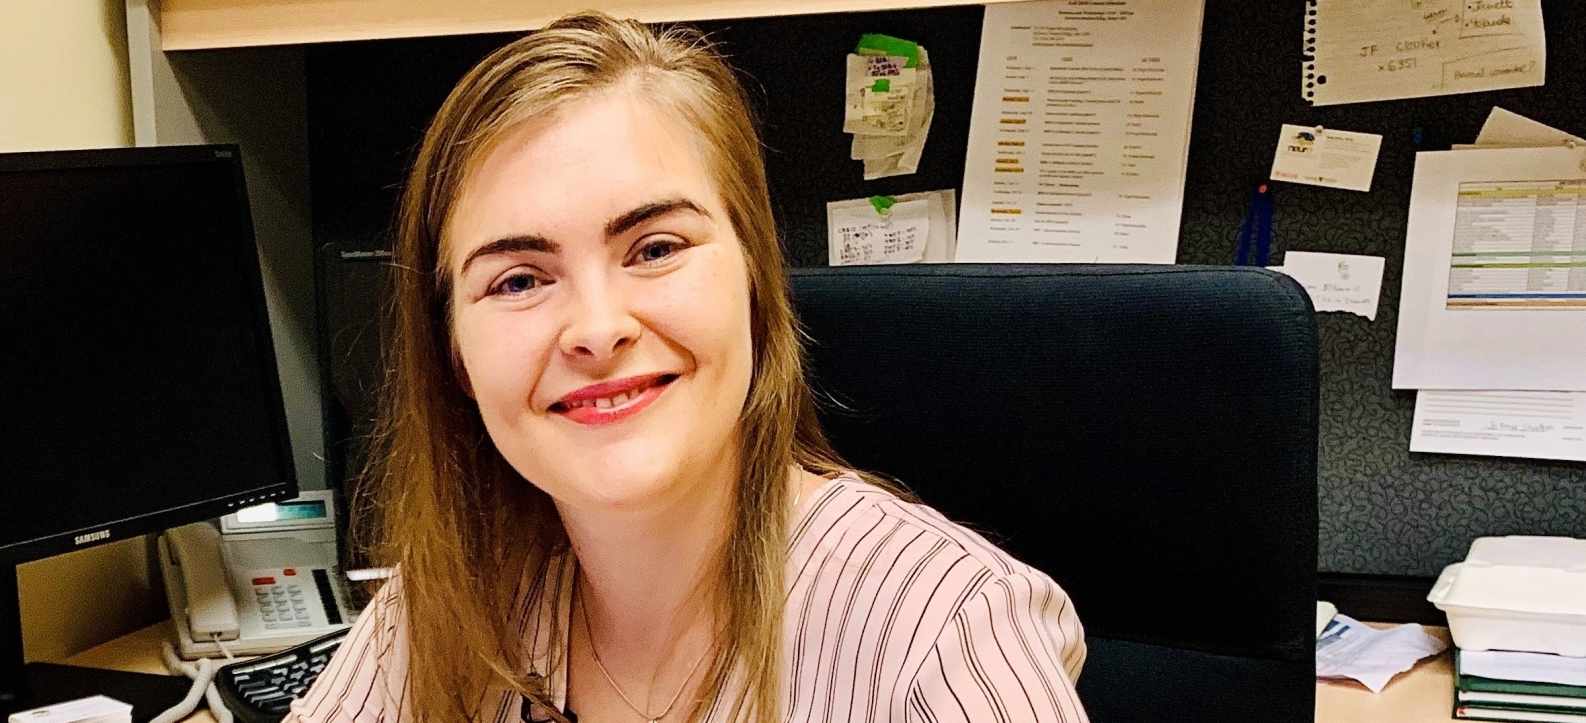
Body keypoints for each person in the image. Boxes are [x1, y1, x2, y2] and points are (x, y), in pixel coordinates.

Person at [287, 12, 1086, 723]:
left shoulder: (942, 632)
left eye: (656, 248)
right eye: (519, 279)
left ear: (754, 281)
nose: (597, 330)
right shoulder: (451, 603)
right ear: (454, 354)